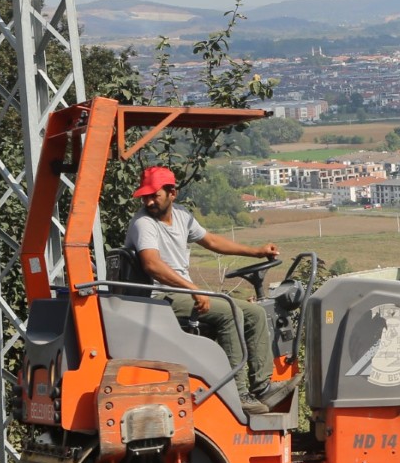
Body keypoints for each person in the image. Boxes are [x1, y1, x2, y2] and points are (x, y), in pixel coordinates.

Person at [124, 165, 290, 414]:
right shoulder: (143, 224)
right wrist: (193, 289)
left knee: (254, 314)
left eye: (153, 195)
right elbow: (152, 265)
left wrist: (256, 251)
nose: (148, 201)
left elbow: (211, 241)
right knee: (228, 311)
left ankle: (262, 387)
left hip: (180, 291)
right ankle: (238, 392)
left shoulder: (181, 216)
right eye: (145, 196)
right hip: (158, 296)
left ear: (172, 193)